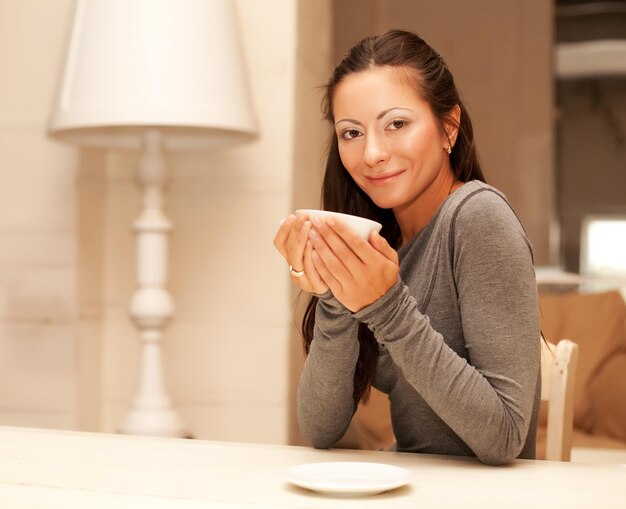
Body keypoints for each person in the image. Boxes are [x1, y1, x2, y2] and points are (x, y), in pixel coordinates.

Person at [273, 29, 541, 465]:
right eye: (351, 133)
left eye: (396, 124)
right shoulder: (384, 243)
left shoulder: (478, 217)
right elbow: (321, 429)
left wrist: (385, 307)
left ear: (448, 127)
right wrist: (334, 290)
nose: (373, 153)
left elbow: (505, 437)